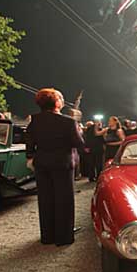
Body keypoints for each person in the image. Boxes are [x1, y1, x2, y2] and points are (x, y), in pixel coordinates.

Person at [25, 88, 84, 246]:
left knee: (45, 199)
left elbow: (29, 142)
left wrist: (30, 157)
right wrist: (79, 132)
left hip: (42, 163)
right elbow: (79, 143)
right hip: (62, 163)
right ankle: (63, 237)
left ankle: (47, 236)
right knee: (64, 200)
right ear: (57, 103)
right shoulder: (68, 122)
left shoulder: (34, 120)